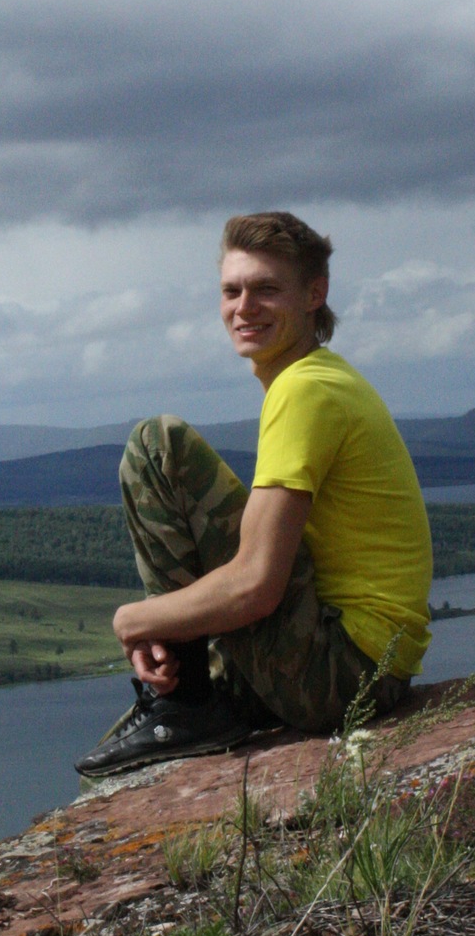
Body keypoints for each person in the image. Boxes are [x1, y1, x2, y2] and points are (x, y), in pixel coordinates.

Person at [75, 211, 433, 777]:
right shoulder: (322, 378)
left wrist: (136, 620)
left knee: (158, 445)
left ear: (314, 294)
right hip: (368, 668)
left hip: (344, 674)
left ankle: (184, 703)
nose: (244, 307)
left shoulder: (304, 390)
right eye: (232, 291)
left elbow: (257, 585)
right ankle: (187, 698)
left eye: (266, 289)